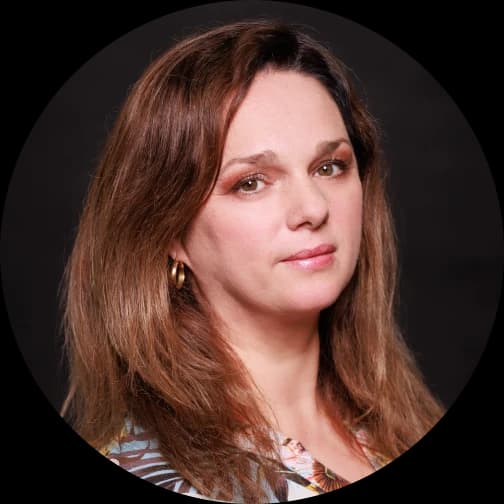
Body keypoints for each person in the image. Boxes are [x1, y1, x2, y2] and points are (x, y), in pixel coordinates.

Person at [60, 18, 445, 502]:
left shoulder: (401, 422)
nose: (313, 208)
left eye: (330, 167)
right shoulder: (150, 472)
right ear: (169, 230)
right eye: (251, 182)